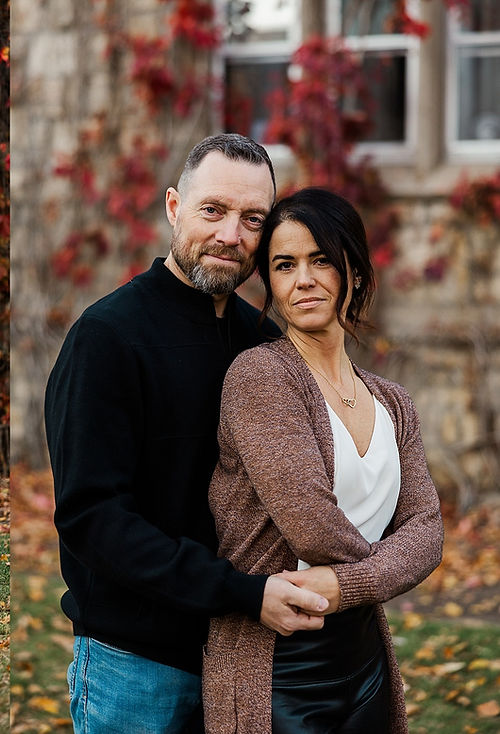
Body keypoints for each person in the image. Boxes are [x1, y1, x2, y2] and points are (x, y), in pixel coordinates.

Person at [44, 133, 330, 733]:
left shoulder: (267, 345)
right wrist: (242, 593)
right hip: (136, 663)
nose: (232, 235)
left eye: (253, 219)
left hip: (245, 659)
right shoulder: (108, 337)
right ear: (174, 207)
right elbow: (92, 519)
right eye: (213, 210)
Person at [203, 187, 443, 733]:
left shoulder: (393, 401)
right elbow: (310, 525)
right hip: (277, 669)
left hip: (364, 659)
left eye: (321, 261)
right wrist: (391, 566)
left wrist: (354, 585)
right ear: (270, 281)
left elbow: (427, 530)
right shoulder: (262, 377)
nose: (303, 279)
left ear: (353, 273)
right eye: (284, 265)